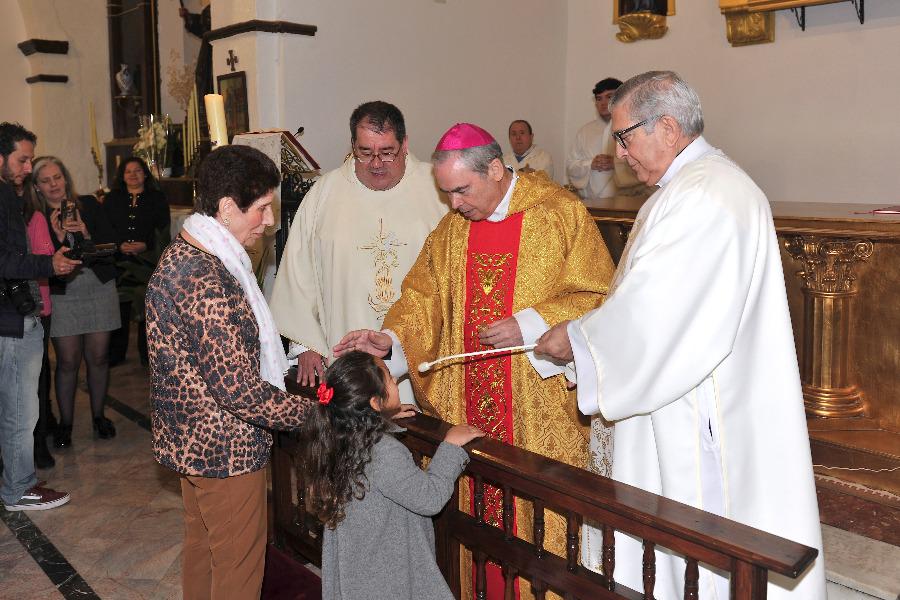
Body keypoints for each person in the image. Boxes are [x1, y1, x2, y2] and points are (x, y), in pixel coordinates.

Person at [535, 71, 826, 599]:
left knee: (700, 549)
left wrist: (576, 340)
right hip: (686, 395)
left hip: (698, 411)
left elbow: (657, 315)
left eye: (625, 137)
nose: (620, 154)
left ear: (667, 128)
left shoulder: (706, 194)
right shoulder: (692, 187)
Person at [336, 123, 614, 599]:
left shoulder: (560, 213)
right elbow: (422, 299)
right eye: (446, 192)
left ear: (496, 169)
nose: (454, 204)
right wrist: (390, 340)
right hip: (470, 410)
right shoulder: (453, 230)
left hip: (536, 413)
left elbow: (599, 295)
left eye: (462, 190)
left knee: (538, 542)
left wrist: (529, 324)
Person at [146, 144, 315, 599]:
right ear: (226, 208)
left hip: (194, 442)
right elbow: (239, 390)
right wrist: (313, 415)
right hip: (225, 449)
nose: (269, 220)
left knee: (204, 549)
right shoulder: (206, 277)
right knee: (238, 566)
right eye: (261, 208)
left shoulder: (186, 253)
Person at [270, 100, 448, 400]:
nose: (376, 163)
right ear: (352, 145)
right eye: (365, 153)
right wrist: (306, 344)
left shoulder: (437, 191)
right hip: (344, 354)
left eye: (387, 152)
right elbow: (298, 274)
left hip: (421, 359)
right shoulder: (325, 194)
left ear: (405, 144)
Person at [298, 350, 484, 600]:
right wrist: (450, 447)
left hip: (358, 569)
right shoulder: (382, 451)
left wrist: (382, 417)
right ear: (375, 402)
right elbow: (429, 498)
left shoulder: (339, 433)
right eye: (388, 376)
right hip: (384, 577)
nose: (395, 379)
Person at [0, 122, 76, 511]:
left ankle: (18, 476)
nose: (28, 168)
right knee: (20, 410)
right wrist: (49, 264)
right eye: (22, 160)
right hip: (11, 319)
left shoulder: (8, 195)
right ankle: (18, 488)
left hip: (13, 315)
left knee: (17, 407)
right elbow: (5, 261)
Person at [29, 156, 121, 448]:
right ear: (37, 186)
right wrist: (58, 238)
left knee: (99, 357)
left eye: (57, 177)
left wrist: (85, 232)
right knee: (68, 361)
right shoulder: (37, 215)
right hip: (63, 292)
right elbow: (41, 260)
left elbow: (111, 245)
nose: (54, 184)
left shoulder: (89, 205)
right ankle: (65, 424)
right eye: (46, 180)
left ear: (65, 178)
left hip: (97, 286)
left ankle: (98, 416)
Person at [104, 156, 170, 367]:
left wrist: (146, 245)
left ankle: (147, 355)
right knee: (119, 308)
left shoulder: (156, 198)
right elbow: (106, 227)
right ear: (122, 176)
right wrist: (118, 244)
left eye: (138, 170)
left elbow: (163, 227)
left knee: (146, 308)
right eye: (128, 171)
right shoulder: (112, 199)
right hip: (119, 260)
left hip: (146, 261)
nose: (133, 175)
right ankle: (116, 353)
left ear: (145, 174)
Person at [23, 177, 58, 469]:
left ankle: (38, 443)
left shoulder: (34, 217)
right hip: (9, 308)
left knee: (37, 378)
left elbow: (45, 258)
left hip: (36, 306)